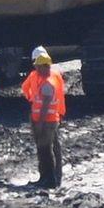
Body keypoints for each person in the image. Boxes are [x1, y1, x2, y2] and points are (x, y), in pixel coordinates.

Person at [20, 46, 66, 189]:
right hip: (53, 114)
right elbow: (59, 95)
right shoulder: (56, 75)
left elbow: (27, 90)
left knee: (46, 148)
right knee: (51, 148)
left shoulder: (41, 77)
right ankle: (54, 177)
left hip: (46, 117)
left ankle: (50, 178)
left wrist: (33, 101)